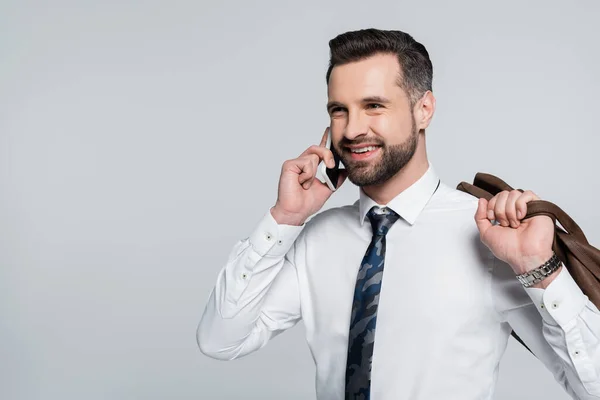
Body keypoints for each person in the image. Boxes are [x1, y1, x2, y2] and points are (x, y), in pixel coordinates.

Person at [196, 28, 600, 399]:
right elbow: (220, 340)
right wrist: (283, 219)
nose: (352, 129)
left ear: (424, 109)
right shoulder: (318, 239)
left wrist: (541, 270)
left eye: (373, 105)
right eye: (339, 110)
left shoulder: (490, 236)